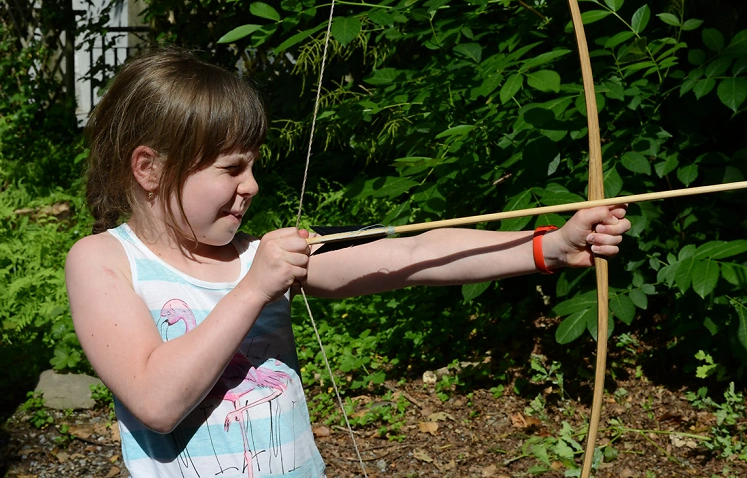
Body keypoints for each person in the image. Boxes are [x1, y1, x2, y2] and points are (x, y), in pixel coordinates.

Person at [65, 47, 631, 478]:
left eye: (253, 166)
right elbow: (156, 401)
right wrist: (253, 289)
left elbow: (407, 254)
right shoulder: (104, 261)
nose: (252, 186)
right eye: (231, 169)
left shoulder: (255, 258)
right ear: (150, 169)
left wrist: (547, 248)